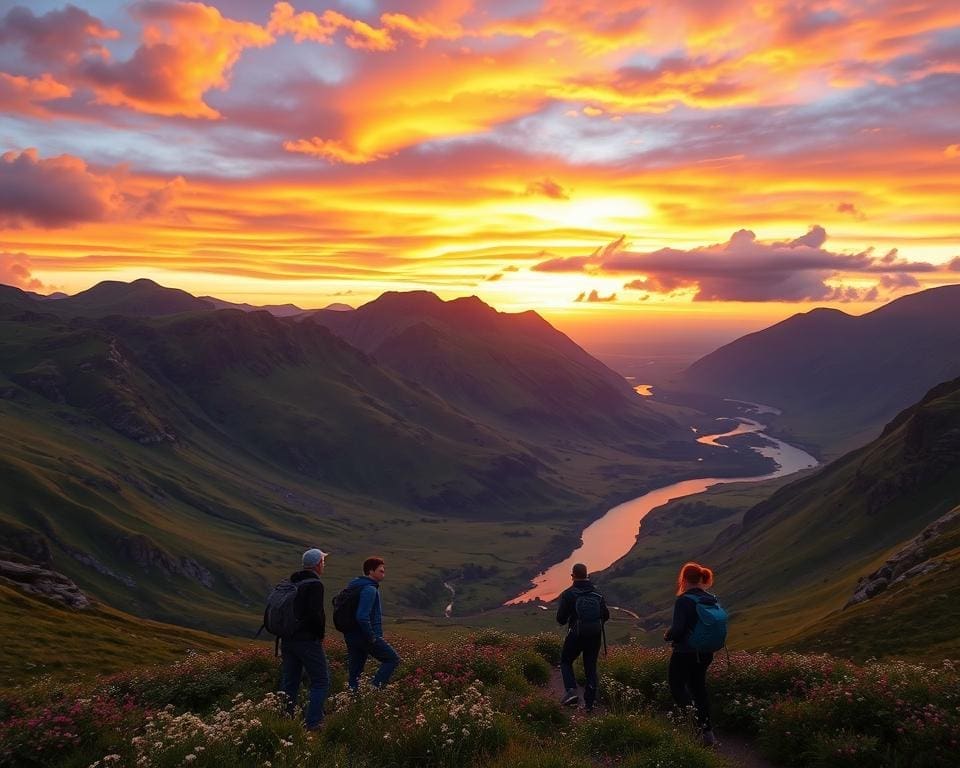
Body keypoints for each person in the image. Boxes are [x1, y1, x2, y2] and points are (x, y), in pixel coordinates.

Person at [663, 561, 719, 746]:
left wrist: (668, 635)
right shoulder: (710, 599)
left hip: (685, 652)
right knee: (699, 689)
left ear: (684, 579)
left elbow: (678, 630)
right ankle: (708, 733)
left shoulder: (684, 600)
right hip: (705, 652)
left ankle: (694, 726)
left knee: (677, 686)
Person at [279, 547, 330, 731]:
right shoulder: (315, 584)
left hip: (287, 640)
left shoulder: (292, 582)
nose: (324, 565)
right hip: (307, 640)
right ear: (317, 564)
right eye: (323, 561)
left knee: (290, 680)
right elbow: (315, 614)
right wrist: (320, 635)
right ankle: (313, 723)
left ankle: (284, 720)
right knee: (321, 681)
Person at [556, 562, 609, 712]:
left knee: (566, 661)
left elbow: (561, 619)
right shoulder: (597, 594)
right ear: (587, 575)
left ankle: (571, 690)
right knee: (590, 667)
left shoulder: (568, 594)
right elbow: (606, 615)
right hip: (594, 635)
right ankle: (590, 704)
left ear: (573, 576)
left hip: (576, 634)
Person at [343, 556, 401, 691]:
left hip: (352, 635)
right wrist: (372, 636)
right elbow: (362, 616)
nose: (383, 573)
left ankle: (354, 702)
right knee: (392, 659)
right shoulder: (369, 589)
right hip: (365, 636)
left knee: (355, 673)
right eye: (381, 571)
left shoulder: (354, 586)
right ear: (370, 571)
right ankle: (373, 690)